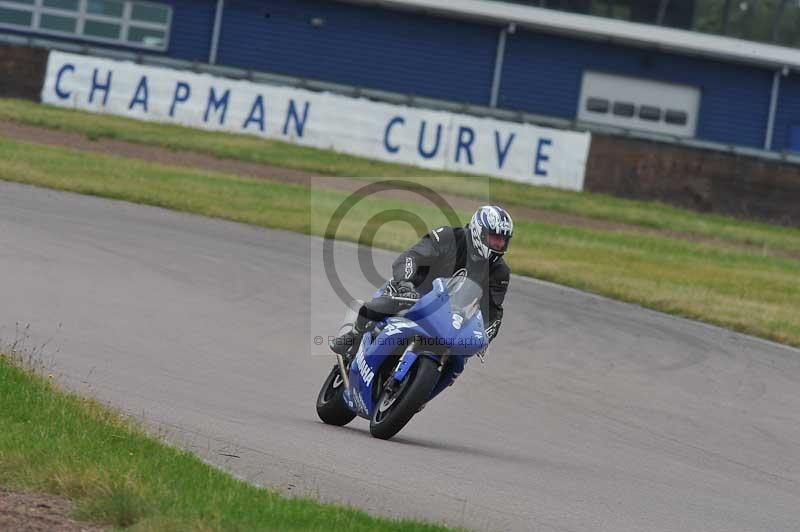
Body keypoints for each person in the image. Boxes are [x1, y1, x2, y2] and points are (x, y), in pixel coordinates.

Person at [330, 205, 513, 360]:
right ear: (478, 231)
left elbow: (493, 312)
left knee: (458, 360)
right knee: (384, 305)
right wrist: (405, 283)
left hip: (451, 316)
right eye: (494, 238)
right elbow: (411, 257)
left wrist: (483, 338)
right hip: (415, 292)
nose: (499, 244)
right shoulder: (448, 237)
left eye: (503, 240)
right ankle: (353, 334)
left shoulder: (500, 272)